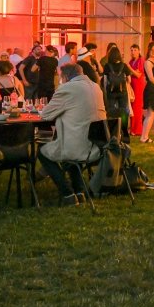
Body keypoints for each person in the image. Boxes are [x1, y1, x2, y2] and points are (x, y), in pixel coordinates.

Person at [38, 63, 107, 206]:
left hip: (79, 146)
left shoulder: (67, 88)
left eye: (60, 77)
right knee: (68, 149)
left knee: (42, 151)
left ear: (66, 76)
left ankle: (67, 192)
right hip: (99, 146)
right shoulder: (95, 87)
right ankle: (80, 191)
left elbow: (46, 114)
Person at [102, 45, 137, 141]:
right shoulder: (124, 65)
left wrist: (107, 90)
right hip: (123, 92)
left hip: (111, 92)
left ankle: (113, 133)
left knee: (112, 111)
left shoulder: (107, 66)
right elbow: (129, 80)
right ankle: (125, 133)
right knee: (124, 112)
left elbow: (105, 81)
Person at [128, 44, 146, 137]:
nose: (133, 52)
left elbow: (138, 75)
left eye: (135, 50)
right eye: (131, 50)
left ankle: (137, 130)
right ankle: (132, 129)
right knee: (132, 107)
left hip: (138, 86)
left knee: (137, 107)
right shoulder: (131, 61)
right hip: (132, 86)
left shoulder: (141, 60)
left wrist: (129, 68)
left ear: (139, 51)